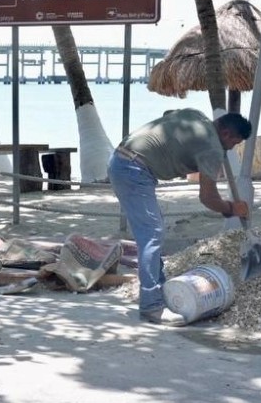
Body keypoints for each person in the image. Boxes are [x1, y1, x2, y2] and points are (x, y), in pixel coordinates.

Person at [108, 109, 253, 324]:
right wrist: (232, 208)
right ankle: (152, 307)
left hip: (122, 158)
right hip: (134, 170)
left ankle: (160, 292)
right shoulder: (212, 149)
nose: (232, 148)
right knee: (151, 235)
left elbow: (168, 113)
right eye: (235, 142)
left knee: (152, 232)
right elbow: (207, 197)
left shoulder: (195, 115)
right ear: (226, 133)